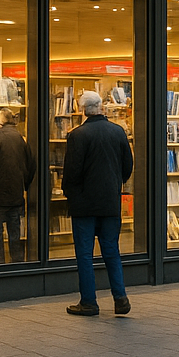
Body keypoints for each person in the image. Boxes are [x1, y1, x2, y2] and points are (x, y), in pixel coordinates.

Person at [61, 90, 133, 317]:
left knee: (84, 254)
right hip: (110, 202)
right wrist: (115, 184)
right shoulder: (118, 132)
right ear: (101, 106)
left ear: (83, 110)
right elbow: (127, 166)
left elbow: (72, 172)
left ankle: (89, 302)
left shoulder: (77, 135)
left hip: (84, 204)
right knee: (111, 250)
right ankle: (120, 298)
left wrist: (70, 193)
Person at [0, 107, 36, 264]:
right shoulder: (21, 140)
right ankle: (17, 265)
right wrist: (24, 185)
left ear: (0, 121)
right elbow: (31, 165)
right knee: (15, 235)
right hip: (15, 196)